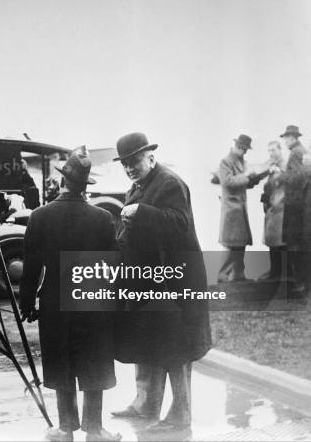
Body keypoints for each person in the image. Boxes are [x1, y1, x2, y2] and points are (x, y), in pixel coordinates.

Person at [111, 132, 211, 432]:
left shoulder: (169, 182)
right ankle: (146, 403)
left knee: (177, 347)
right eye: (125, 163)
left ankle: (181, 413)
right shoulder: (140, 185)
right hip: (150, 282)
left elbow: (179, 224)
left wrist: (141, 212)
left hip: (175, 282)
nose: (129, 167)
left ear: (150, 156)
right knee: (149, 341)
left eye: (135, 161)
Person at [20, 149, 121, 442]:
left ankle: (65, 429)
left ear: (63, 181)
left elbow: (31, 269)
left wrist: (27, 305)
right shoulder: (102, 218)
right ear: (85, 185)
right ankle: (95, 429)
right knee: (94, 361)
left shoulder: (39, 217)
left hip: (54, 301)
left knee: (61, 362)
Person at [217, 134, 257, 283]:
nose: (245, 152)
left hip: (239, 208)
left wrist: (254, 178)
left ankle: (238, 275)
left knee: (240, 243)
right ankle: (223, 275)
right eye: (244, 149)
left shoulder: (241, 161)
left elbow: (243, 182)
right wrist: (246, 175)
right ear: (238, 147)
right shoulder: (225, 162)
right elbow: (227, 182)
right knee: (230, 243)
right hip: (231, 209)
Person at [280, 125, 309, 296]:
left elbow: (298, 177)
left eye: (286, 138)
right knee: (298, 244)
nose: (285, 141)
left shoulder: (296, 152)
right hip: (300, 204)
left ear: (292, 137)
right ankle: (302, 281)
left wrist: (281, 175)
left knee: (295, 244)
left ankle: (301, 283)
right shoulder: (301, 151)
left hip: (295, 205)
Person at [260, 141, 287, 281]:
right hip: (272, 209)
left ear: (280, 150)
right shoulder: (272, 165)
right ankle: (275, 272)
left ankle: (280, 273)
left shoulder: (285, 164)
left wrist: (280, 172)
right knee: (273, 241)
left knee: (280, 242)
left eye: (273, 150)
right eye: (269, 151)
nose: (271, 153)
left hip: (281, 208)